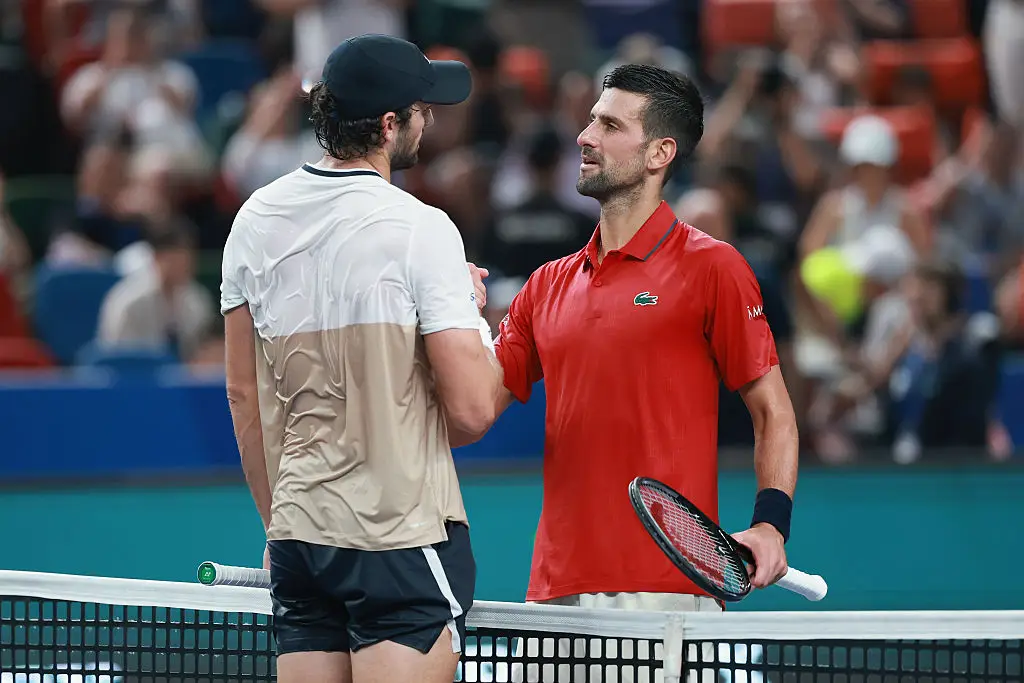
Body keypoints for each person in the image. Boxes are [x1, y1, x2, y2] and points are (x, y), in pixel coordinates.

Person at [220, 34, 504, 683]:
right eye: (421, 109)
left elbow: (244, 396)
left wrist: (277, 524)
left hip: (298, 537)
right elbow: (471, 410)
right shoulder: (421, 228)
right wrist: (471, 313)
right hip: (397, 539)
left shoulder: (253, 220)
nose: (429, 119)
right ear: (388, 125)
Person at [490, 64, 800, 619]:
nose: (585, 138)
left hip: (664, 596)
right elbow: (471, 408)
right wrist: (446, 313)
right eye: (590, 122)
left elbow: (772, 412)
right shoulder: (545, 285)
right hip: (553, 593)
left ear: (660, 154)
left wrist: (770, 525)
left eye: (610, 126)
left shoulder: (714, 268)